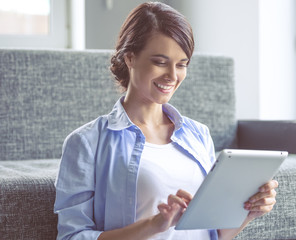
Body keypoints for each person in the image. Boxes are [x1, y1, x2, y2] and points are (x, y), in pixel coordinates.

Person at [54, 2, 278, 240]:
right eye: (160, 62)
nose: (172, 76)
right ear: (130, 58)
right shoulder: (87, 143)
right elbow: (72, 236)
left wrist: (249, 211)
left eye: (181, 64)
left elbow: (213, 232)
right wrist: (155, 225)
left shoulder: (198, 134)